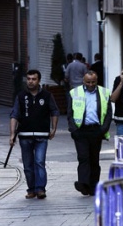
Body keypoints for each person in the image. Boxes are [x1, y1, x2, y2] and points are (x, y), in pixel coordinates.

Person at [10, 69, 60, 199]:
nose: (31, 81)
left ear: (39, 81)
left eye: (34, 79)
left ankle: (40, 189)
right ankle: (31, 189)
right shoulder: (21, 96)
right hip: (24, 135)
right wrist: (11, 134)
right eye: (29, 79)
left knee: (39, 161)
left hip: (42, 135)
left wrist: (54, 128)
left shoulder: (47, 96)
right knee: (27, 165)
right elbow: (14, 114)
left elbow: (54, 111)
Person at [68, 71, 112, 196]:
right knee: (83, 158)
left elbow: (108, 113)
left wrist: (103, 129)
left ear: (97, 81)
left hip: (96, 130)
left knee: (94, 159)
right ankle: (83, 183)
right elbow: (69, 113)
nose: (91, 84)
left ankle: (93, 187)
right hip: (80, 130)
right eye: (88, 82)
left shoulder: (104, 92)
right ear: (83, 81)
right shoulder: (74, 93)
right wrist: (74, 130)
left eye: (93, 82)